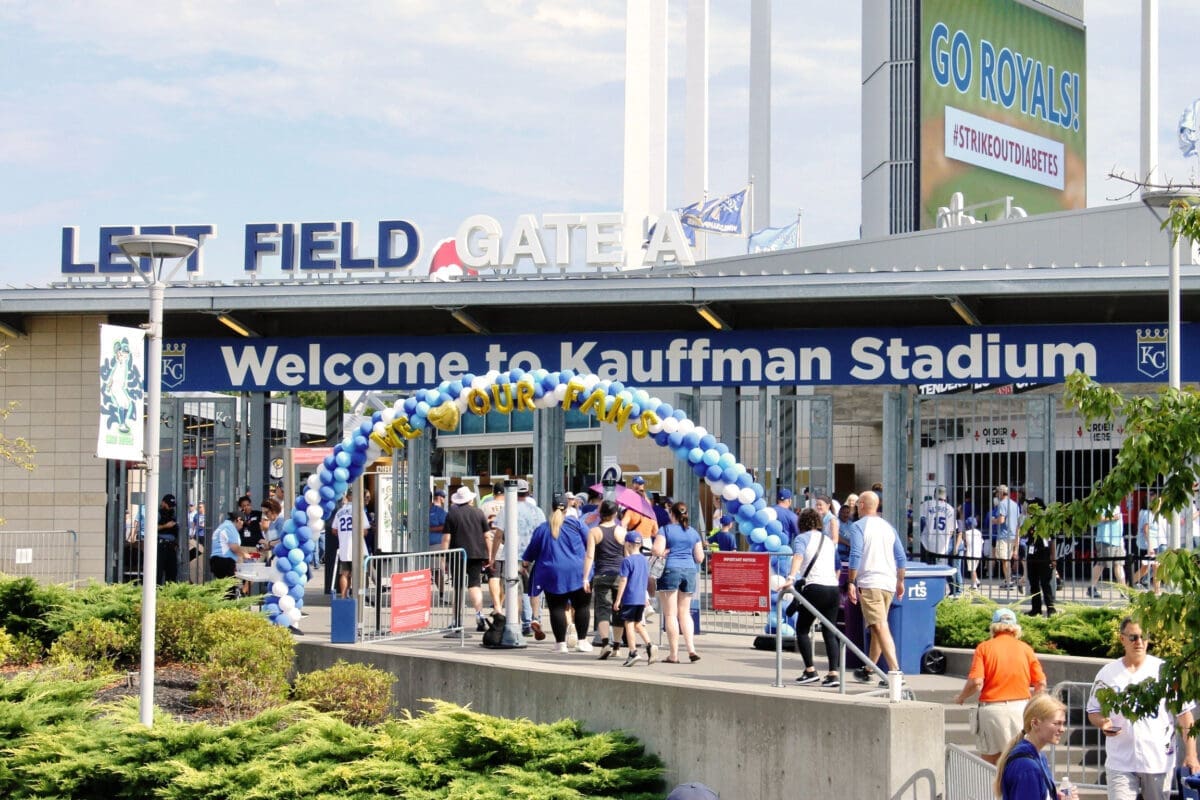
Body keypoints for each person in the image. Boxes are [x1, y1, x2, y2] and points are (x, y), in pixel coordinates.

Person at [1086, 617, 1199, 800]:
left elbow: (1185, 714)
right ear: (1122, 639)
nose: (1139, 642)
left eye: (1143, 636)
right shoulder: (1107, 673)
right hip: (1120, 760)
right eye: (1133, 637)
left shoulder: (1165, 671)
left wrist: (1191, 754)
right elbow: (1093, 711)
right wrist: (1103, 722)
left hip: (1157, 760)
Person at [953, 608, 1048, 764]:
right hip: (1021, 709)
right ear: (1015, 627)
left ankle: (995, 789)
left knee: (991, 763)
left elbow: (976, 682)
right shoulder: (1026, 649)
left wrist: (961, 697)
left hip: (992, 710)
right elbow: (1041, 683)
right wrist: (1034, 707)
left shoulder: (984, 648)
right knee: (1022, 759)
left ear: (993, 626)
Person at [847, 490, 906, 685]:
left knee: (879, 626)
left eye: (857, 505)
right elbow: (901, 557)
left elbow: (855, 554)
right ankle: (869, 668)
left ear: (862, 505)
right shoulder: (888, 527)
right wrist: (900, 581)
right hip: (888, 582)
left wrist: (851, 581)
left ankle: (895, 672)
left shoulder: (858, 527)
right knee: (876, 628)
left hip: (870, 581)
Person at [521, 493, 592, 653]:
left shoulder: (542, 528)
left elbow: (531, 551)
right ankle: (582, 642)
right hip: (578, 571)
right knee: (582, 606)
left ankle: (560, 644)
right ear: (567, 508)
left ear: (552, 508)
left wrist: (525, 562)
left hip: (551, 573)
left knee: (557, 608)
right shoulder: (576, 524)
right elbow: (590, 542)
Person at [786, 508, 841, 687]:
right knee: (829, 631)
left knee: (802, 629)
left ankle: (810, 670)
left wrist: (791, 577)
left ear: (801, 523)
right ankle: (833, 673)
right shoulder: (828, 541)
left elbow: (798, 556)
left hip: (814, 587)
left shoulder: (801, 538)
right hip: (833, 588)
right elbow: (837, 566)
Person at [491, 479, 547, 637]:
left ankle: (518, 623)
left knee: (515, 590)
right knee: (534, 590)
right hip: (534, 556)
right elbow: (543, 534)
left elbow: (498, 536)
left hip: (513, 556)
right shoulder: (538, 511)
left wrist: (493, 556)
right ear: (528, 492)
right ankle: (534, 618)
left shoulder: (507, 510)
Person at [994, 693, 1074, 799]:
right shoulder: (1028, 768)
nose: (1062, 729)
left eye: (1063, 724)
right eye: (1056, 723)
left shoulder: (1039, 757)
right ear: (1035, 723)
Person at [653, 500, 705, 663]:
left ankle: (673, 654)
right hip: (689, 571)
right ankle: (691, 649)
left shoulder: (665, 529)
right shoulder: (693, 532)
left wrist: (668, 550)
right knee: (685, 613)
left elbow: (657, 550)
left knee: (670, 614)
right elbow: (700, 557)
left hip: (671, 570)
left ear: (672, 514)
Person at [582, 499, 629, 659]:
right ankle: (617, 646)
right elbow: (627, 556)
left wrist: (585, 578)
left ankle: (605, 643)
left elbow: (589, 556)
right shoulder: (622, 531)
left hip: (601, 574)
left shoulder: (594, 532)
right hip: (619, 574)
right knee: (618, 610)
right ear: (615, 513)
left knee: (602, 610)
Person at [442, 486, 491, 635]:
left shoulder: (452, 514)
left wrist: (443, 557)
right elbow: (487, 536)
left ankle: (457, 620)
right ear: (470, 499)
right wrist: (490, 555)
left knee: (458, 587)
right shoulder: (479, 513)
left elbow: (446, 538)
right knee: (475, 585)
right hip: (477, 554)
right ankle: (479, 614)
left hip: (457, 554)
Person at [611, 531, 655, 667]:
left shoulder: (627, 561)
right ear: (640, 544)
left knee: (628, 624)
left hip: (630, 597)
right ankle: (650, 645)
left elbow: (623, 580)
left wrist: (618, 600)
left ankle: (633, 652)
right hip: (641, 598)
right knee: (637, 624)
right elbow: (645, 579)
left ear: (628, 544)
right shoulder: (643, 560)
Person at [1024, 498, 1057, 617]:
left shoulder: (1046, 521)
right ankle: (1036, 608)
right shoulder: (1029, 521)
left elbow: (1052, 541)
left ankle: (1050, 608)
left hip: (1044, 554)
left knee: (1045, 583)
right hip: (1032, 555)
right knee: (1033, 583)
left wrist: (1053, 558)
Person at [334, 490, 370, 599]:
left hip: (344, 547)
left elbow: (334, 530)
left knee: (344, 573)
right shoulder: (359, 510)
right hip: (358, 548)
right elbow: (364, 531)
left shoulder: (340, 511)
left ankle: (344, 596)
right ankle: (359, 598)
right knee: (361, 574)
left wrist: (343, 535)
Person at [209, 511, 250, 597]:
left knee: (223, 589)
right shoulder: (230, 527)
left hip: (217, 561)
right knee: (229, 591)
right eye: (242, 523)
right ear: (238, 520)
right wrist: (245, 555)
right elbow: (234, 547)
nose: (242, 527)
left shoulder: (222, 527)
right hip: (225, 561)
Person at [1089, 503, 1125, 598]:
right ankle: (1091, 587)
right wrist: (1113, 517)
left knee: (1119, 564)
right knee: (1101, 564)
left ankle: (1124, 590)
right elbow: (1099, 518)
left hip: (1117, 539)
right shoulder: (1101, 504)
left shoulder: (1116, 505)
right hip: (1105, 539)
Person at [1135, 491, 1166, 592]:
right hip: (1147, 545)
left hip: (1152, 543)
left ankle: (1157, 591)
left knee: (1155, 566)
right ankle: (1127, 584)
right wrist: (1150, 546)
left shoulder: (1150, 513)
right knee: (1146, 568)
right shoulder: (1147, 513)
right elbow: (1145, 530)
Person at [993, 485, 1022, 591]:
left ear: (1000, 493)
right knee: (1009, 559)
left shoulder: (1002, 504)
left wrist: (993, 520)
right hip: (1014, 534)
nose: (996, 495)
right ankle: (1008, 579)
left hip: (1004, 535)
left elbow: (1001, 520)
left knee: (1005, 560)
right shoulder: (1015, 505)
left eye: (997, 493)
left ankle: (1009, 581)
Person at [156, 494, 180, 585]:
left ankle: (170, 594)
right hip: (160, 545)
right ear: (163, 503)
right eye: (168, 505)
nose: (170, 508)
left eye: (172, 506)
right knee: (158, 572)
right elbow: (151, 528)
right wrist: (165, 526)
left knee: (172, 573)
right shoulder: (158, 514)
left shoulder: (173, 514)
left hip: (171, 546)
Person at [960, 516, 984, 590]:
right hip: (978, 553)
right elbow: (982, 541)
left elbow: (965, 542)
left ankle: (974, 585)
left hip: (971, 553)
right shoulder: (979, 532)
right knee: (974, 568)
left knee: (972, 569)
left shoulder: (966, 533)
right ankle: (977, 580)